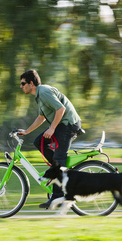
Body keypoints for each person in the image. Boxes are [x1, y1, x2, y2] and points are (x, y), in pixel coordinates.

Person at [17, 69, 82, 209]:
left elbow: (61, 109)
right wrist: (27, 131)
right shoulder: (39, 96)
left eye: (23, 83)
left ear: (31, 83)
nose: (21, 86)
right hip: (62, 125)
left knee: (59, 158)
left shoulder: (44, 92)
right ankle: (59, 171)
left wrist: (52, 128)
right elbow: (41, 117)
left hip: (68, 125)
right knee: (38, 141)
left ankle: (57, 196)